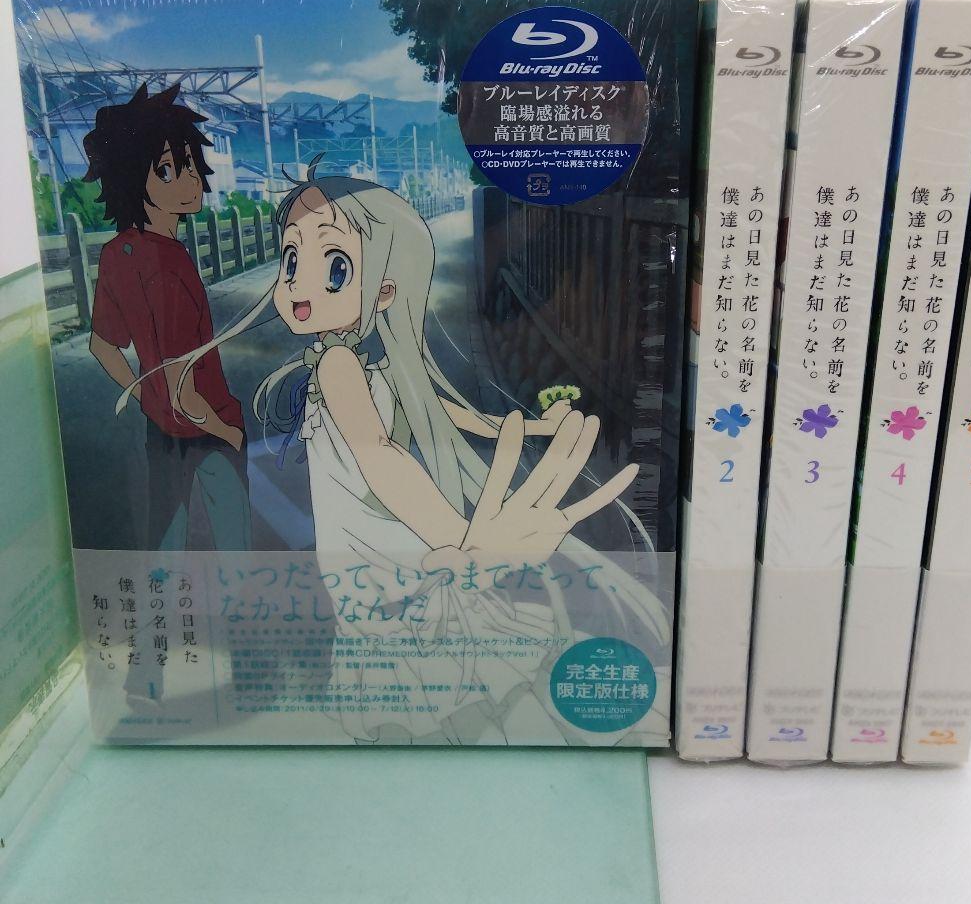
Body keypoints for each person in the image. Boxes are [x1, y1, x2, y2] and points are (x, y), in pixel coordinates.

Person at [174, 158, 670, 743]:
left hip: (374, 549)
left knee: (407, 659)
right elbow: (388, 449)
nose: (299, 285)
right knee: (445, 652)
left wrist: (465, 524)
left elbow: (408, 439)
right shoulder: (345, 364)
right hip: (384, 537)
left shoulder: (350, 365)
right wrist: (460, 536)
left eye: (335, 267)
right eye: (291, 261)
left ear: (385, 289)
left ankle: (437, 731)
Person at [84, 82, 251, 553]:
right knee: (235, 546)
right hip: (208, 427)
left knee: (165, 542)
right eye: (167, 169)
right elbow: (183, 385)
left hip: (160, 429)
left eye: (191, 164)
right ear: (131, 177)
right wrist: (226, 431)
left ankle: (166, 602)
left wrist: (145, 395)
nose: (190, 179)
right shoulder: (170, 265)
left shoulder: (117, 253)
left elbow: (102, 345)